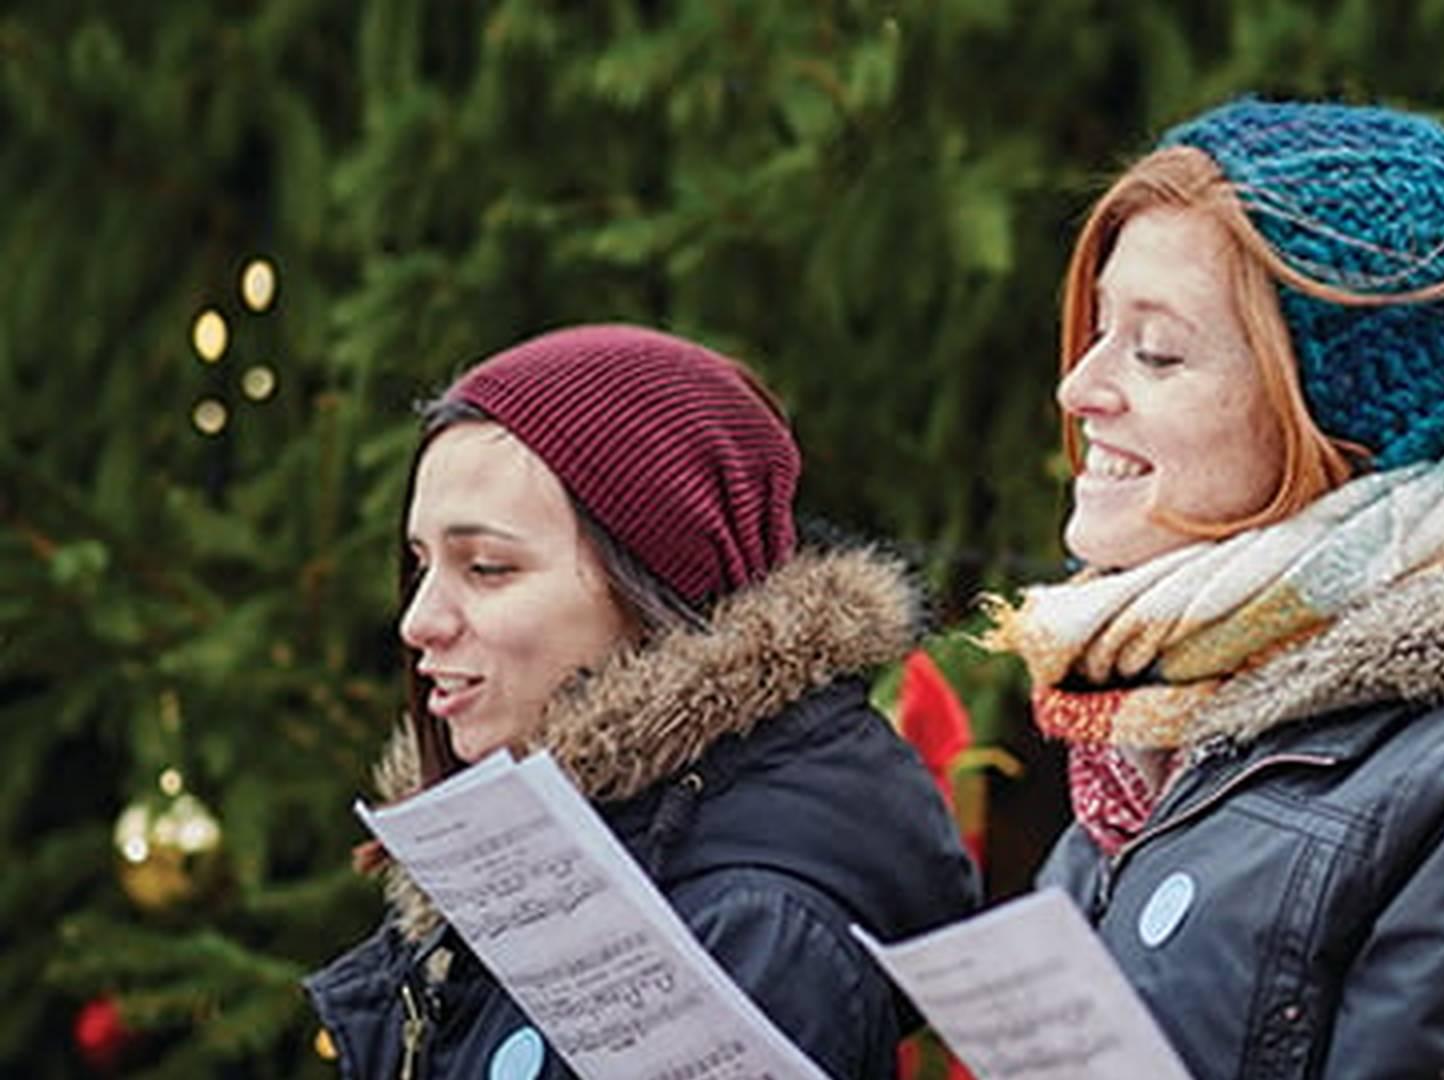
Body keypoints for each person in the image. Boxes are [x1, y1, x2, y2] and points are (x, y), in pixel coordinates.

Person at [984, 98, 1444, 1078]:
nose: (1079, 389)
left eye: (1156, 351)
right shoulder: (1174, 703)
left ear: (1342, 426)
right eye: (1101, 332)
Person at [305, 324, 980, 1079]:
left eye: (487, 567)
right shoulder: (549, 846)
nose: (418, 621)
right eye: (421, 565)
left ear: (655, 583)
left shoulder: (750, 929)